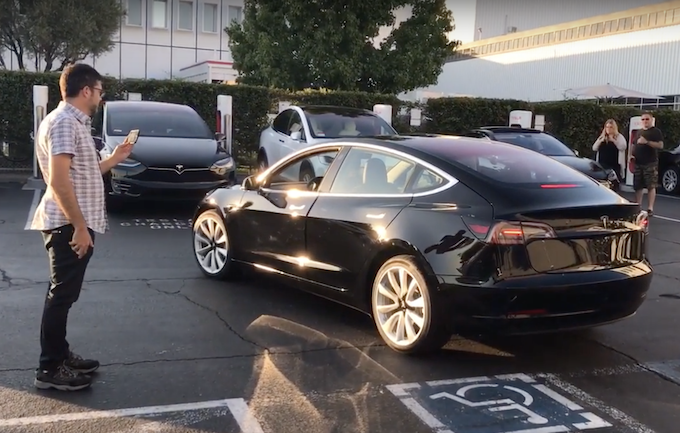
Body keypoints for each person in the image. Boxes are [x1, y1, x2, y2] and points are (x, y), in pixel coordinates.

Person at [28, 63, 135, 391]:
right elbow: (60, 181)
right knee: (60, 296)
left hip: (71, 224)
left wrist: (115, 158)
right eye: (99, 91)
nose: (101, 98)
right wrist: (79, 226)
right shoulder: (64, 123)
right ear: (86, 90)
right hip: (67, 225)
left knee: (63, 294)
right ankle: (50, 368)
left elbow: (82, 172)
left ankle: (60, 355)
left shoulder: (71, 122)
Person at [630, 112, 664, 215]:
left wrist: (647, 142)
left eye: (647, 119)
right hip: (638, 162)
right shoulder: (639, 132)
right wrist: (631, 155)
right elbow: (634, 144)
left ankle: (650, 208)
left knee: (651, 185)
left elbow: (660, 145)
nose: (645, 121)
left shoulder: (655, 131)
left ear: (651, 120)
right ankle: (638, 205)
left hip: (650, 162)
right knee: (638, 186)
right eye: (643, 119)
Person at [592, 119, 627, 188]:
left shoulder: (619, 137)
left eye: (611, 127)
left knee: (614, 183)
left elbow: (623, 147)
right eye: (607, 127)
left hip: (614, 164)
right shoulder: (602, 137)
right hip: (602, 164)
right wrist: (601, 140)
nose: (608, 129)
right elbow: (594, 148)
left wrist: (614, 140)